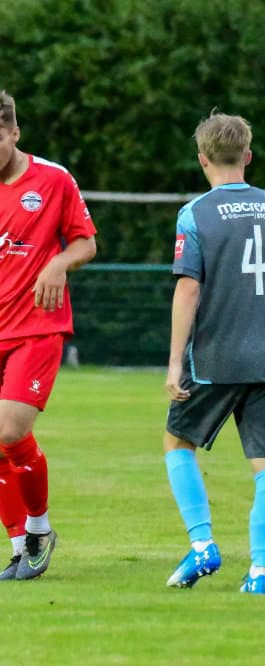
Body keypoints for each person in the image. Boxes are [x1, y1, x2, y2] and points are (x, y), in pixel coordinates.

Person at [163, 112, 265, 595]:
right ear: (248, 156)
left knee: (176, 443)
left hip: (215, 358)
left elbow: (188, 289)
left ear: (202, 159)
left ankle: (203, 544)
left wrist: (174, 362)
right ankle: (260, 573)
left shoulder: (195, 214)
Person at [0, 90, 97, 580]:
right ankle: (20, 545)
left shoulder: (53, 180)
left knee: (8, 430)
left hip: (36, 328)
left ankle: (39, 528)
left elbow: (86, 242)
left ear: (14, 132)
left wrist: (58, 262)